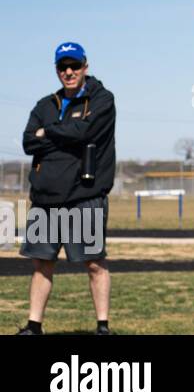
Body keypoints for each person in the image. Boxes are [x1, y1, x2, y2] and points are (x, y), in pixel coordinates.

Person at [16, 42, 117, 335]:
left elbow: (85, 132)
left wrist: (47, 132)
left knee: (94, 263)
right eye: (63, 67)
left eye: (74, 66)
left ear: (85, 66)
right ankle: (33, 326)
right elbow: (27, 142)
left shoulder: (102, 99)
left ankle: (102, 327)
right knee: (41, 264)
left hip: (83, 197)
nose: (69, 72)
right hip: (45, 199)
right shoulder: (44, 105)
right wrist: (64, 136)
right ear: (57, 70)